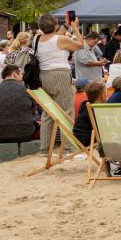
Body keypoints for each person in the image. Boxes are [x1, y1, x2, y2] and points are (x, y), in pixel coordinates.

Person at [32, 15, 85, 153]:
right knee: (66, 110)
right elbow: (80, 45)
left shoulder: (37, 38)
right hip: (60, 74)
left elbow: (54, 38)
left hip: (43, 76)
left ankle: (45, 148)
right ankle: (68, 147)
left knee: (48, 112)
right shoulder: (60, 39)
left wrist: (66, 26)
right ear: (55, 25)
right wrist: (75, 28)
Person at [0, 65, 37, 145]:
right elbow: (32, 111)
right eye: (21, 74)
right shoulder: (27, 90)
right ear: (14, 74)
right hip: (25, 135)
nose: (23, 77)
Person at [73, 80, 107, 151]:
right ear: (102, 95)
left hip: (79, 138)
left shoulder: (86, 105)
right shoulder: (95, 109)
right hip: (86, 140)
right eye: (105, 93)